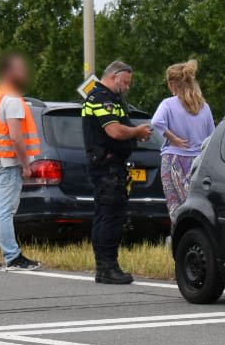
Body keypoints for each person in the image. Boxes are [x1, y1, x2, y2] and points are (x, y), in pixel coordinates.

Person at [82, 60, 153, 284]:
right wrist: (136, 131)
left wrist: (134, 133)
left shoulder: (108, 98)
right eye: (125, 82)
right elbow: (114, 131)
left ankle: (104, 268)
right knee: (111, 217)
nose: (127, 87)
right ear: (113, 77)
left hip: (110, 165)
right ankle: (108, 267)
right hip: (107, 166)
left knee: (105, 216)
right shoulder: (102, 98)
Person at [0, 53, 44, 271]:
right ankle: (13, 257)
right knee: (6, 210)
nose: (25, 73)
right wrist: (26, 165)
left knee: (5, 207)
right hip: (9, 163)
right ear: (10, 72)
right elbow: (16, 137)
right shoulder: (13, 99)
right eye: (21, 69)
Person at [151, 60, 217, 224]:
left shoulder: (168, 104)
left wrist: (173, 138)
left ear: (173, 83)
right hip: (198, 163)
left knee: (176, 207)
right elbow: (212, 136)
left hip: (173, 160)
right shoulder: (204, 107)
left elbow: (156, 122)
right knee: (196, 204)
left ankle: (180, 240)